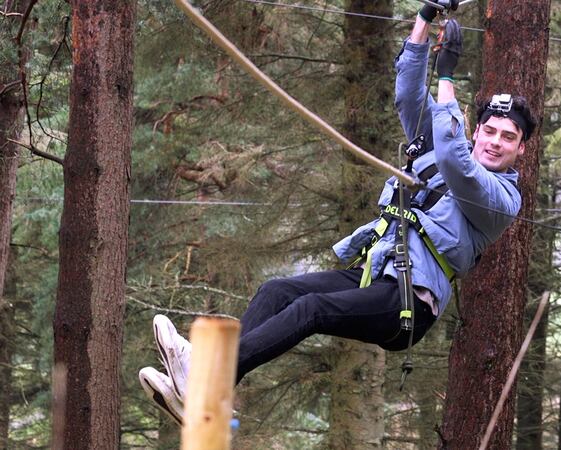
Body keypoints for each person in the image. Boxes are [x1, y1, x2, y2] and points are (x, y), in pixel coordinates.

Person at [139, 4, 536, 425]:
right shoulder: (441, 142)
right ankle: (207, 400)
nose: (495, 142)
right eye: (489, 130)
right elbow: (407, 94)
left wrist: (448, 75)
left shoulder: (502, 200)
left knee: (311, 310)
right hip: (378, 271)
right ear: (477, 130)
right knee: (277, 292)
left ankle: (206, 379)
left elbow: (459, 164)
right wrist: (424, 20)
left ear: (520, 149)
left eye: (508, 138)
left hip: (409, 302)